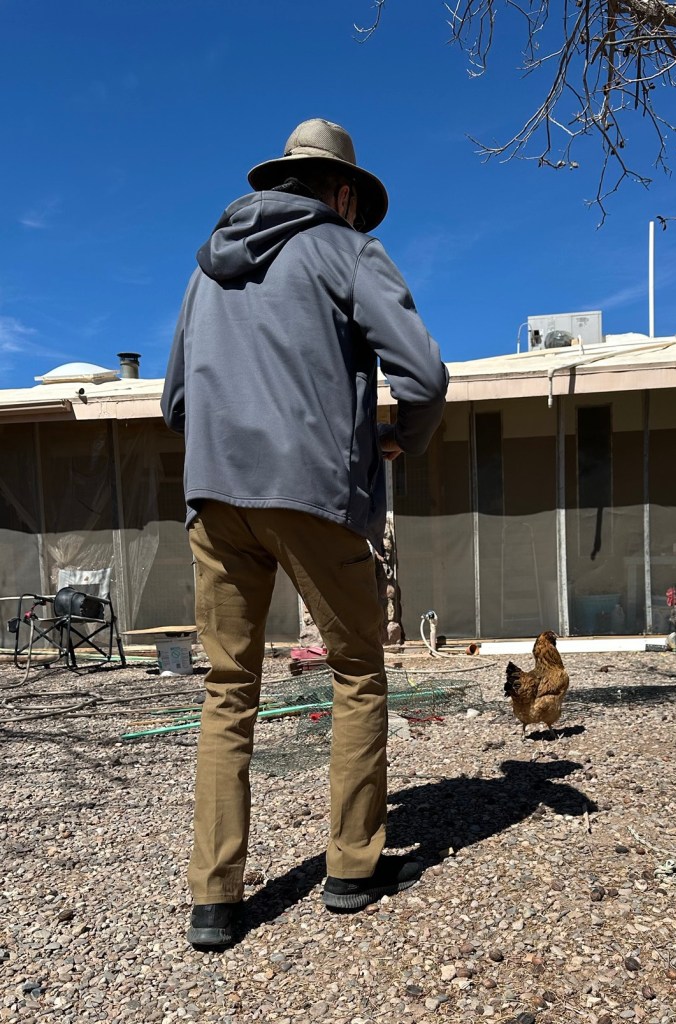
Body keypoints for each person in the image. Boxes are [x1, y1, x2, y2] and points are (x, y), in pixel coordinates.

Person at [161, 117, 448, 947]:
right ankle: (352, 868)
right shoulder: (346, 251)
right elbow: (425, 376)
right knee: (356, 670)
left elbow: (174, 403)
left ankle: (214, 901)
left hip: (215, 497)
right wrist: (400, 438)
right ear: (344, 193)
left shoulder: (204, 271)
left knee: (228, 690)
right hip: (311, 493)